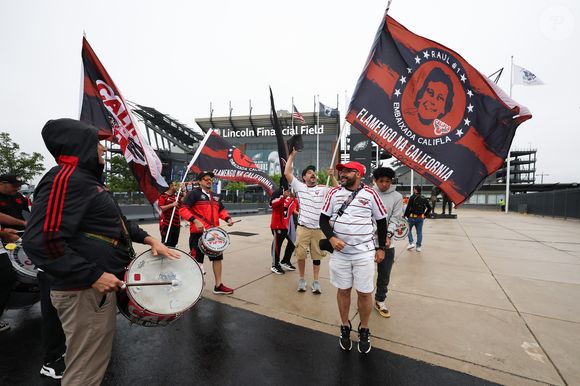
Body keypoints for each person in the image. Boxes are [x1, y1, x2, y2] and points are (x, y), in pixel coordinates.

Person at [22, 118, 179, 386]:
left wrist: (150, 238)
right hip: (83, 291)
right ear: (79, 144)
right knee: (85, 371)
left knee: (89, 363)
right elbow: (40, 240)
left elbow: (116, 224)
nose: (103, 149)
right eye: (97, 142)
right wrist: (92, 275)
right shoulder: (65, 177)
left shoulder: (87, 182)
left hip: (92, 290)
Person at [0, 174, 67, 379]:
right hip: (5, 238)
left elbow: (30, 214)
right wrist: (7, 230)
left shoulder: (20, 198)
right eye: (14, 185)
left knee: (30, 275)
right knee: (6, 276)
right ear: (2, 184)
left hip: (21, 237)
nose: (17, 188)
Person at [319, 161, 388, 354]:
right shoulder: (333, 193)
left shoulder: (371, 194)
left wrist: (381, 247)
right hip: (340, 255)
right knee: (343, 291)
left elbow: (381, 221)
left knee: (365, 293)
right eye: (341, 171)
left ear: (358, 174)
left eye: (347, 171)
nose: (342, 174)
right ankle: (344, 325)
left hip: (364, 253)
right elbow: (323, 219)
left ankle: (364, 328)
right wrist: (331, 238)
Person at [284, 149, 334, 294]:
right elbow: (287, 173)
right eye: (309, 173)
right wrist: (292, 156)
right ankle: (301, 279)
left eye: (314, 172)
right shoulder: (300, 187)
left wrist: (333, 176)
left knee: (317, 256)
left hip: (319, 229)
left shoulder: (324, 188)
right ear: (304, 178)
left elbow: (338, 189)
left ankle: (316, 281)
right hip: (303, 228)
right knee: (300, 254)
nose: (313, 174)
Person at [179, 171, 235, 294]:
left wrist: (228, 218)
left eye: (210, 179)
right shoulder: (193, 194)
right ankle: (195, 287)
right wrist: (194, 221)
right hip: (198, 234)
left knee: (217, 259)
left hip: (213, 234)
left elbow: (221, 210)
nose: (209, 181)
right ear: (199, 182)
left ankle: (218, 285)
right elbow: (183, 210)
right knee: (197, 261)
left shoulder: (215, 196)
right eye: (205, 179)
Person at [372, 167, 403, 318]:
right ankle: (364, 298)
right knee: (365, 272)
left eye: (387, 181)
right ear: (375, 181)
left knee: (384, 274)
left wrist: (388, 234)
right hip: (368, 241)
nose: (384, 184)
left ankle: (380, 300)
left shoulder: (397, 197)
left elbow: (396, 218)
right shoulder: (368, 194)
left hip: (387, 243)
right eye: (381, 181)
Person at [269, 187, 298, 274]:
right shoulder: (279, 193)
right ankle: (275, 265)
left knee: (292, 243)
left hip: (287, 226)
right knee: (277, 245)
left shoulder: (294, 200)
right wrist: (282, 197)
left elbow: (295, 210)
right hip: (277, 225)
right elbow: (272, 204)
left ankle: (285, 261)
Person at [404, 186, 431, 252]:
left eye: (414, 189)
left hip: (412, 217)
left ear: (415, 190)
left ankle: (411, 243)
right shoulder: (424, 198)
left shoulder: (412, 197)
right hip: (420, 218)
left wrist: (405, 215)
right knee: (419, 232)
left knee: (408, 230)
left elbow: (408, 207)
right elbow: (429, 208)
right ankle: (418, 247)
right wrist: (425, 215)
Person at [158, 182, 181, 247]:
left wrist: (184, 191)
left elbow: (184, 200)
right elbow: (161, 208)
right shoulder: (163, 196)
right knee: (166, 243)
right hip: (166, 223)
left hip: (176, 224)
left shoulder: (177, 196)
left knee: (174, 243)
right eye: (176, 185)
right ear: (171, 186)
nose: (177, 187)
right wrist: (172, 205)